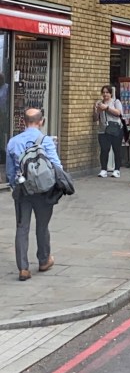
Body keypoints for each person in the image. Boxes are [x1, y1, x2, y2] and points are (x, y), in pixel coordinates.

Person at [6, 108, 61, 281]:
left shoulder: (13, 142)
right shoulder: (46, 141)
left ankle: (23, 268)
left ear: (23, 122)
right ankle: (44, 260)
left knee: (22, 227)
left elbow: (10, 172)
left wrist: (15, 186)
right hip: (43, 190)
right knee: (42, 226)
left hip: (23, 190)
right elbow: (56, 166)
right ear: (41, 121)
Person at [93, 84, 124, 178]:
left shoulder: (115, 102)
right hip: (103, 130)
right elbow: (95, 119)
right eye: (103, 92)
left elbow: (118, 113)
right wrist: (97, 110)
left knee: (116, 149)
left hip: (115, 129)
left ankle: (117, 170)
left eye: (107, 92)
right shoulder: (99, 103)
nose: (105, 94)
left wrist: (106, 108)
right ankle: (103, 169)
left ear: (111, 93)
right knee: (104, 150)